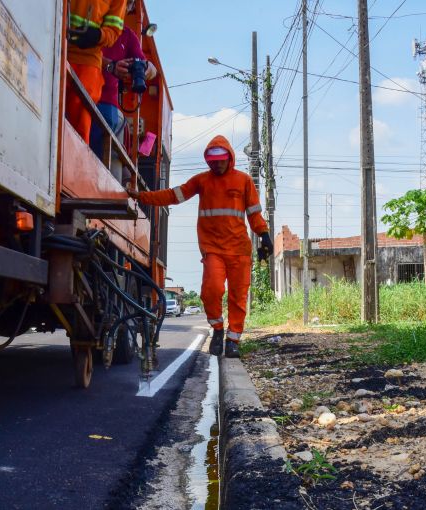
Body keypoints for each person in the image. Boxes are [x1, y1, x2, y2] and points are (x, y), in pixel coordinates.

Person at [126, 135, 273, 358]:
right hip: (213, 249)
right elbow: (173, 195)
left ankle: (233, 341)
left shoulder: (243, 181)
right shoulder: (202, 181)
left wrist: (264, 236)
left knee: (238, 297)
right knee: (211, 291)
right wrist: (143, 197)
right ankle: (217, 330)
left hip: (239, 251)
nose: (217, 165)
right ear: (207, 161)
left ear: (229, 158)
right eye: (212, 161)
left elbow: (254, 214)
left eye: (221, 160)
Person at [90, 1, 157, 159]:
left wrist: (147, 68)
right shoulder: (89, 25)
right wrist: (110, 66)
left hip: (106, 104)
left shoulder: (128, 36)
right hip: (80, 90)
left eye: (126, 3)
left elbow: (151, 70)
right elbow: (79, 51)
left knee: (96, 155)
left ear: (130, 8)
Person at [66, 0, 127, 144]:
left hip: (86, 62)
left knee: (79, 130)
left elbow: (113, 31)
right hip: (49, 39)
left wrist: (97, 35)